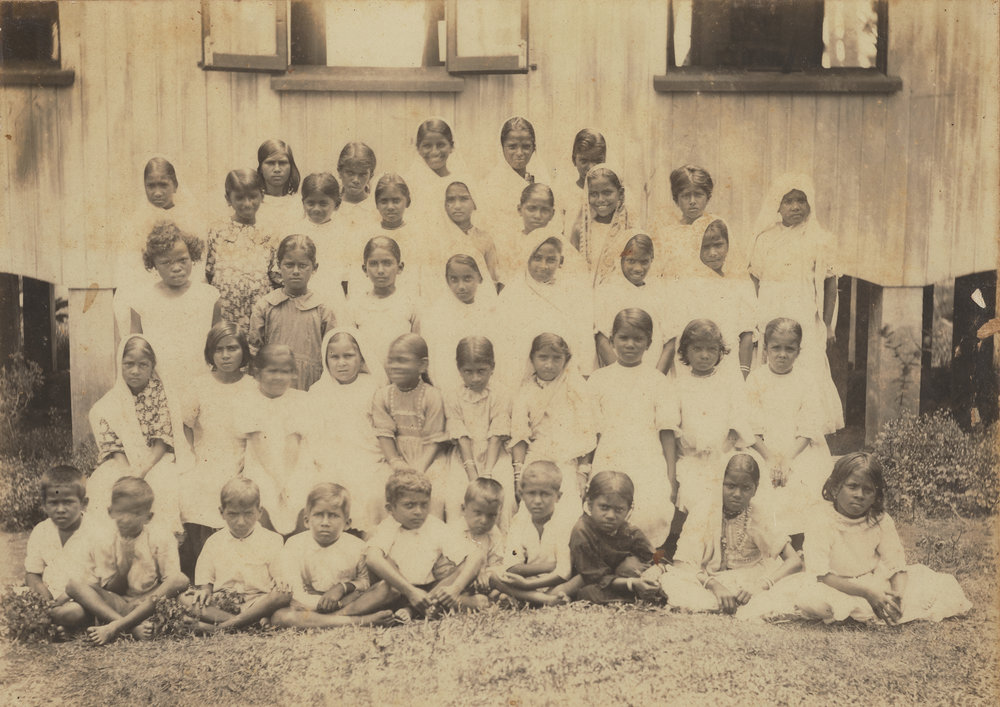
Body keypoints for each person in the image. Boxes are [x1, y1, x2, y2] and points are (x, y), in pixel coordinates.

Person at [790, 453, 972, 625]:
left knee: (931, 586)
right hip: (834, 585)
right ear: (836, 487)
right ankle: (854, 610)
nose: (859, 495)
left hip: (872, 582)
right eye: (852, 486)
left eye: (867, 490)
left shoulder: (881, 520)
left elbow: (896, 565)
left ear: (876, 495)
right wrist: (867, 593)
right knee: (813, 599)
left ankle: (870, 609)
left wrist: (897, 595)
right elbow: (821, 575)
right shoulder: (821, 519)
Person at [748, 173, 844, 433]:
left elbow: (830, 283)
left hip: (804, 312)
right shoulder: (765, 238)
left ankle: (806, 431)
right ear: (777, 205)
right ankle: (770, 428)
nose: (795, 207)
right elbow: (755, 281)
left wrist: (828, 325)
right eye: (788, 201)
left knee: (806, 367)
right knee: (772, 364)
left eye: (801, 200)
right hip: (770, 310)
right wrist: (755, 320)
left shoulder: (820, 239)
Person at [657, 454, 802, 617]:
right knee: (674, 580)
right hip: (709, 580)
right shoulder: (704, 510)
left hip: (750, 581)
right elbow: (681, 563)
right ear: (720, 483)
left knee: (788, 589)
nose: (737, 494)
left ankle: (737, 602)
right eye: (730, 486)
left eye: (746, 488)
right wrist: (713, 585)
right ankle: (725, 600)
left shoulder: (758, 515)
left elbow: (794, 561)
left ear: (755, 489)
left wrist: (761, 585)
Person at [334, 470, 484, 622]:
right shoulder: (389, 527)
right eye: (409, 505)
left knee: (466, 567)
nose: (418, 512)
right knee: (387, 578)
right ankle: (337, 617)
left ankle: (414, 610)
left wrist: (455, 589)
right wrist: (410, 592)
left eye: (424, 505)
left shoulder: (434, 525)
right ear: (390, 509)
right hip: (396, 590)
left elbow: (476, 555)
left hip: (428, 592)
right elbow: (372, 559)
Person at [662, 320, 756, 561]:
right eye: (697, 349)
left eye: (711, 350)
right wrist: (671, 475)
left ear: (720, 352)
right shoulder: (677, 386)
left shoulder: (728, 384)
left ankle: (726, 555)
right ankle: (693, 557)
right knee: (698, 498)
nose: (704, 356)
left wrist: (725, 452)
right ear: (684, 352)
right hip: (691, 461)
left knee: (725, 494)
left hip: (723, 460)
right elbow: (670, 429)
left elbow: (738, 426)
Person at [587, 310, 678, 545]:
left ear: (648, 343)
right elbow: (591, 434)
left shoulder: (658, 381)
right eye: (623, 338)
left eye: (638, 339)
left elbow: (666, 432)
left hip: (647, 457)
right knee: (606, 505)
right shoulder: (598, 379)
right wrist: (585, 470)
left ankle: (643, 558)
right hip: (610, 454)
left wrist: (670, 477)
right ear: (612, 339)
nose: (630, 345)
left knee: (651, 507)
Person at [65, 477, 189, 646]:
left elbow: (169, 581)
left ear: (148, 517)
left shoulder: (161, 537)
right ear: (111, 511)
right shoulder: (105, 539)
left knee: (180, 579)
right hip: (117, 603)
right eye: (121, 512)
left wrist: (143, 600)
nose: (127, 519)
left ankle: (116, 626)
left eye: (136, 513)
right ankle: (128, 626)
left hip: (149, 603)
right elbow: (109, 588)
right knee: (73, 584)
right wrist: (124, 567)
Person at [88, 334, 187, 536]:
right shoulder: (111, 401)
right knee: (103, 483)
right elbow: (114, 447)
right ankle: (111, 544)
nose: (135, 371)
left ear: (152, 366)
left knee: (162, 484)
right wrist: (127, 473)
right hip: (122, 461)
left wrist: (142, 470)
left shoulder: (162, 394)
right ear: (120, 365)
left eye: (143, 365)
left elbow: (162, 439)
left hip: (156, 459)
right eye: (129, 364)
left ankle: (159, 542)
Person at [179, 323, 257, 580]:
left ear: (243, 352)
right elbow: (187, 426)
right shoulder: (198, 385)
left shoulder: (252, 386)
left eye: (232, 349)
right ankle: (202, 570)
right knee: (198, 488)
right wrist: (193, 455)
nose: (225, 355)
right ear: (210, 354)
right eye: (219, 349)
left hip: (242, 457)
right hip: (206, 455)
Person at [746, 318, 833, 546]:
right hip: (764, 448)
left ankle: (801, 541)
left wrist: (787, 459)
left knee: (804, 479)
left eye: (789, 349)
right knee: (763, 483)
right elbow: (751, 428)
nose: (782, 354)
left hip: (799, 448)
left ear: (798, 351)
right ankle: (769, 543)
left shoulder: (806, 380)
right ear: (765, 350)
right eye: (776, 348)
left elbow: (808, 427)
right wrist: (771, 457)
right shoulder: (756, 379)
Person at [272, 483, 394, 628]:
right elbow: (295, 593)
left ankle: (329, 620)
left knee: (388, 588)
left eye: (333, 516)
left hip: (348, 602)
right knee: (281, 617)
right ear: (306, 520)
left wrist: (343, 588)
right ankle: (361, 621)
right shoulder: (294, 545)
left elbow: (365, 582)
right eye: (318, 515)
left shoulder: (357, 546)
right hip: (310, 607)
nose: (325, 522)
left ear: (347, 523)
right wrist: (329, 603)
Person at [179, 478, 291, 633]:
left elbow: (280, 577)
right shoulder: (214, 542)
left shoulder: (273, 540)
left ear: (260, 512)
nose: (240, 522)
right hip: (223, 603)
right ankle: (250, 624)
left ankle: (219, 628)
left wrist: (280, 579)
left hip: (257, 603)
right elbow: (206, 582)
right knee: (184, 598)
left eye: (248, 514)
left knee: (283, 594)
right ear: (221, 513)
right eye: (232, 514)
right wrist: (205, 591)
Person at [308, 327, 386, 535]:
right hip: (330, 458)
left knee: (371, 490)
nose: (341, 362)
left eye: (348, 356)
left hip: (367, 457)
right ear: (326, 359)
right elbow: (313, 435)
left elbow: (380, 429)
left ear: (361, 358)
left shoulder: (373, 386)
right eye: (334, 357)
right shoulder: (318, 391)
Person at [123, 220, 221, 387]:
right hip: (158, 383)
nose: (176, 267)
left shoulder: (209, 296)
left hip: (199, 379)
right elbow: (135, 348)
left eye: (183, 260)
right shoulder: (141, 300)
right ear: (154, 264)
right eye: (166, 262)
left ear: (193, 257)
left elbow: (219, 341)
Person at [510, 333, 597, 519]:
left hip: (567, 458)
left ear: (566, 360)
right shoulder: (525, 391)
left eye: (556, 358)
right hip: (535, 457)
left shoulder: (575, 387)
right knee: (529, 509)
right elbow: (519, 436)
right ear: (532, 359)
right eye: (543, 357)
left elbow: (586, 434)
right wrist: (519, 475)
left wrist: (582, 473)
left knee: (569, 507)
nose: (549, 364)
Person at [234, 343, 315, 537]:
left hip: (293, 465)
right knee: (265, 494)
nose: (279, 377)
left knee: (299, 493)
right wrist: (278, 481)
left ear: (293, 374)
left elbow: (293, 444)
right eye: (272, 371)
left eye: (285, 372)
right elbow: (259, 445)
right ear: (257, 372)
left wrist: (285, 481)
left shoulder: (300, 399)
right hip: (262, 464)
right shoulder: (248, 400)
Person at [495, 229, 595, 380]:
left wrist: (585, 371)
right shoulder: (513, 292)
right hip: (522, 371)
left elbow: (584, 333)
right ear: (527, 258)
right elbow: (503, 339)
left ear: (560, 261)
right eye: (537, 258)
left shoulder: (572, 290)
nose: (543, 266)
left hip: (564, 368)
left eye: (551, 260)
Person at [371, 334, 450, 519]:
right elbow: (385, 435)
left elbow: (435, 440)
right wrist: (397, 464)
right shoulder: (382, 396)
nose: (394, 366)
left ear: (422, 365)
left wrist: (418, 469)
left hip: (427, 459)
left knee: (435, 495)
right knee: (377, 492)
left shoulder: (432, 396)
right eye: (391, 361)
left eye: (402, 361)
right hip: (396, 457)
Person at [441, 337, 515, 529]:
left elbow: (496, 436)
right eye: (468, 372)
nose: (475, 378)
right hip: (465, 457)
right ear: (459, 370)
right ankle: (459, 549)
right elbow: (461, 437)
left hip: (495, 455)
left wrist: (488, 473)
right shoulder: (453, 396)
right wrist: (473, 474)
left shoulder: (501, 393)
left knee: (503, 497)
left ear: (492, 367)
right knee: (456, 497)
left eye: (481, 371)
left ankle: (502, 549)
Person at [668, 219, 755, 377]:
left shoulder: (740, 282)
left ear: (728, 245)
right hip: (693, 365)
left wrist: (743, 372)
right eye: (705, 247)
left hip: (729, 365)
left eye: (718, 245)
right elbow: (680, 335)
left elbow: (747, 333)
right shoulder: (685, 284)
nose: (713, 253)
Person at [249, 234, 338, 390]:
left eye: (303, 265)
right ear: (279, 265)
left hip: (311, 385)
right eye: (289, 265)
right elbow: (254, 350)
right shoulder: (266, 306)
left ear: (314, 267)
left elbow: (332, 352)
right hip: (274, 385)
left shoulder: (322, 309)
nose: (296, 271)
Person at [557, 471, 660, 604]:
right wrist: (632, 583)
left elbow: (656, 558)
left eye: (619, 510)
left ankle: (642, 593)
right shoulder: (582, 531)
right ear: (589, 504)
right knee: (587, 593)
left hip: (623, 578)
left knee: (630, 567)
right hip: (595, 580)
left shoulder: (629, 531)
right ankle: (635, 596)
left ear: (629, 510)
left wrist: (655, 572)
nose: (611, 516)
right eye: (604, 507)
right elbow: (596, 577)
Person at [491, 461, 574, 606]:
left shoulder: (564, 522)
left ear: (558, 496)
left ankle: (526, 598)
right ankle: (545, 600)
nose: (537, 501)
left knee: (577, 580)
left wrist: (526, 585)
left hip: (555, 582)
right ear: (521, 494)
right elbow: (513, 564)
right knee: (494, 576)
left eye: (545, 494)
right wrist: (550, 566)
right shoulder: (519, 522)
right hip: (527, 580)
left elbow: (564, 572)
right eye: (531, 493)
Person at [205, 169, 277, 336]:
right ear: (228, 199)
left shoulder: (269, 233)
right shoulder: (217, 230)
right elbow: (209, 272)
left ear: (262, 195)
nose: (247, 203)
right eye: (239, 198)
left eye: (252, 196)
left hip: (259, 313)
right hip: (226, 312)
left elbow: (275, 276)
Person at [23, 466, 94, 633]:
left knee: (72, 612)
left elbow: (102, 580)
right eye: (53, 503)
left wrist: (67, 598)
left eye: (68, 502)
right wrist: (44, 597)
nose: (60, 509)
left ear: (84, 503)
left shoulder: (96, 531)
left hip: (80, 600)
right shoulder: (41, 530)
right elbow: (32, 573)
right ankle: (58, 625)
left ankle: (54, 624)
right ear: (44, 505)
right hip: (48, 596)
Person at [593, 232, 672, 371]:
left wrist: (656, 378)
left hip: (653, 375)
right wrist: (621, 375)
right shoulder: (606, 292)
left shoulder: (661, 292)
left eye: (644, 262)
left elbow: (670, 340)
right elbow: (602, 339)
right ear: (621, 259)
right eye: (631, 261)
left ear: (652, 260)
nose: (638, 268)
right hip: (617, 375)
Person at [421, 256, 499, 392]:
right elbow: (437, 359)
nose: (461, 286)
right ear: (447, 280)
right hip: (450, 384)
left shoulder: (489, 311)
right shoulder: (438, 313)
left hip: (482, 382)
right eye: (454, 279)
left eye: (467, 278)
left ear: (479, 278)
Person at [348, 236, 420, 370]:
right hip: (367, 380)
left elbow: (418, 348)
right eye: (374, 263)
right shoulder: (355, 306)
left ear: (400, 267)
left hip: (401, 378)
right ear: (365, 269)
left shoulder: (411, 304)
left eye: (387, 263)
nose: (380, 270)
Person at [481, 117, 551, 241]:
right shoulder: (490, 185)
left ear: (533, 148)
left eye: (526, 147)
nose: (519, 153)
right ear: (502, 148)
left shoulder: (541, 180)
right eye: (512, 147)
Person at [652, 164, 719, 280]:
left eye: (698, 195)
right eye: (685, 196)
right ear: (676, 199)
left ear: (707, 197)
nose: (692, 201)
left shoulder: (718, 226)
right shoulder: (667, 235)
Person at [292, 172, 350, 300]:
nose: (316, 209)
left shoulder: (343, 232)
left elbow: (347, 276)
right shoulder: (295, 232)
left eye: (323, 203)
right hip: (301, 295)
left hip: (332, 295)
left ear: (337, 205)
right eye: (311, 203)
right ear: (303, 203)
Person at [570, 164, 635, 272]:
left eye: (607, 193)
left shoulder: (629, 229)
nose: (600, 199)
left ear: (621, 193)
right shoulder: (581, 231)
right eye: (594, 194)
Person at [455, 478, 507, 610]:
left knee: (500, 579)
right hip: (459, 581)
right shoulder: (455, 531)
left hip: (483, 583)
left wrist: (488, 572)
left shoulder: (494, 533)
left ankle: (492, 598)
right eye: (478, 513)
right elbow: (454, 565)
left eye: (491, 516)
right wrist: (476, 571)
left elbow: (497, 562)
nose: (484, 521)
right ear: (463, 509)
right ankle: (464, 601)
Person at [494, 183, 560, 286]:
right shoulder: (510, 245)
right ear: (520, 209)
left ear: (552, 214)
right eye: (532, 209)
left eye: (544, 210)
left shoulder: (558, 244)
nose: (538, 216)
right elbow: (503, 284)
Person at [443, 182, 502, 291]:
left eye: (464, 199)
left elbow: (493, 277)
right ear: (445, 205)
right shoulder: (439, 238)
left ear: (474, 203)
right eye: (451, 200)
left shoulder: (484, 238)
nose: (457, 206)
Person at [553, 128, 607, 236]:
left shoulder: (612, 194)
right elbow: (557, 233)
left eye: (597, 161)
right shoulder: (563, 194)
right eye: (584, 161)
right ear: (574, 160)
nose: (591, 167)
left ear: (604, 160)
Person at [255, 138, 303, 237]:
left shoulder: (301, 204)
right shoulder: (253, 204)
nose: (277, 169)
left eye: (282, 163)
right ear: (260, 169)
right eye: (270, 163)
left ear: (291, 167)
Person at [336, 142, 377, 230]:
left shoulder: (376, 208)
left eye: (362, 174)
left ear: (371, 175)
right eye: (350, 173)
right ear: (340, 172)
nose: (356, 180)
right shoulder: (331, 207)